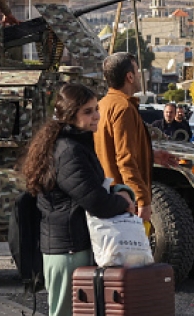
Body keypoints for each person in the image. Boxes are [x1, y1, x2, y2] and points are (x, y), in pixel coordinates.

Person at [19, 84, 136, 316]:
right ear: (70, 115)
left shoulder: (74, 144)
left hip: (72, 245)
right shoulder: (69, 150)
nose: (96, 116)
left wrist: (119, 191)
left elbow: (90, 188)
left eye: (96, 109)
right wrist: (124, 203)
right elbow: (94, 200)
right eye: (88, 111)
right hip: (67, 249)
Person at [94, 52, 175, 224]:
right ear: (129, 76)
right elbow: (125, 160)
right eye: (137, 71)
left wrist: (152, 155)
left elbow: (112, 149)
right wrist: (142, 200)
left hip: (107, 197)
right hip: (124, 203)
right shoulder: (124, 108)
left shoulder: (102, 105)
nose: (139, 75)